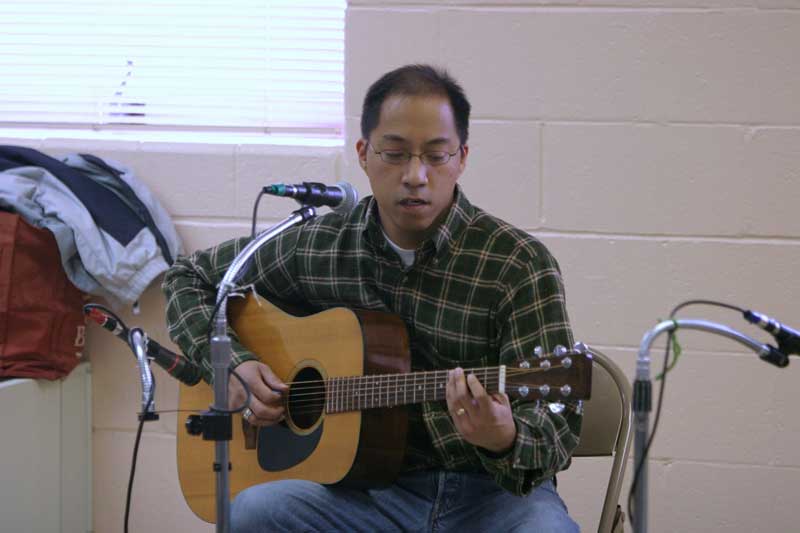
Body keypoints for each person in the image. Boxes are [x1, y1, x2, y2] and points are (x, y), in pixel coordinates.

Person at [163, 64, 581, 532]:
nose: (415, 176)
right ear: (363, 154)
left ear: (462, 158)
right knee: (253, 514)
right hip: (362, 496)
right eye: (395, 153)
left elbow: (556, 425)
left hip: (490, 494)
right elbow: (189, 277)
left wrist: (505, 438)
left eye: (436, 156)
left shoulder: (517, 263)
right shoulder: (318, 242)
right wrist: (235, 364)